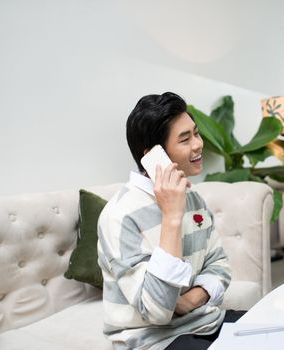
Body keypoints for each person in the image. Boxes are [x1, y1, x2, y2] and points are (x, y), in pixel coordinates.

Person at [97, 92, 244, 350]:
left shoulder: (194, 198)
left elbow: (220, 266)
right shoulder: (119, 216)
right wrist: (172, 216)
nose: (198, 144)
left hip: (207, 323)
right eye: (185, 139)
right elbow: (156, 310)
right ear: (153, 156)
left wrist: (189, 301)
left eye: (196, 133)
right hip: (153, 342)